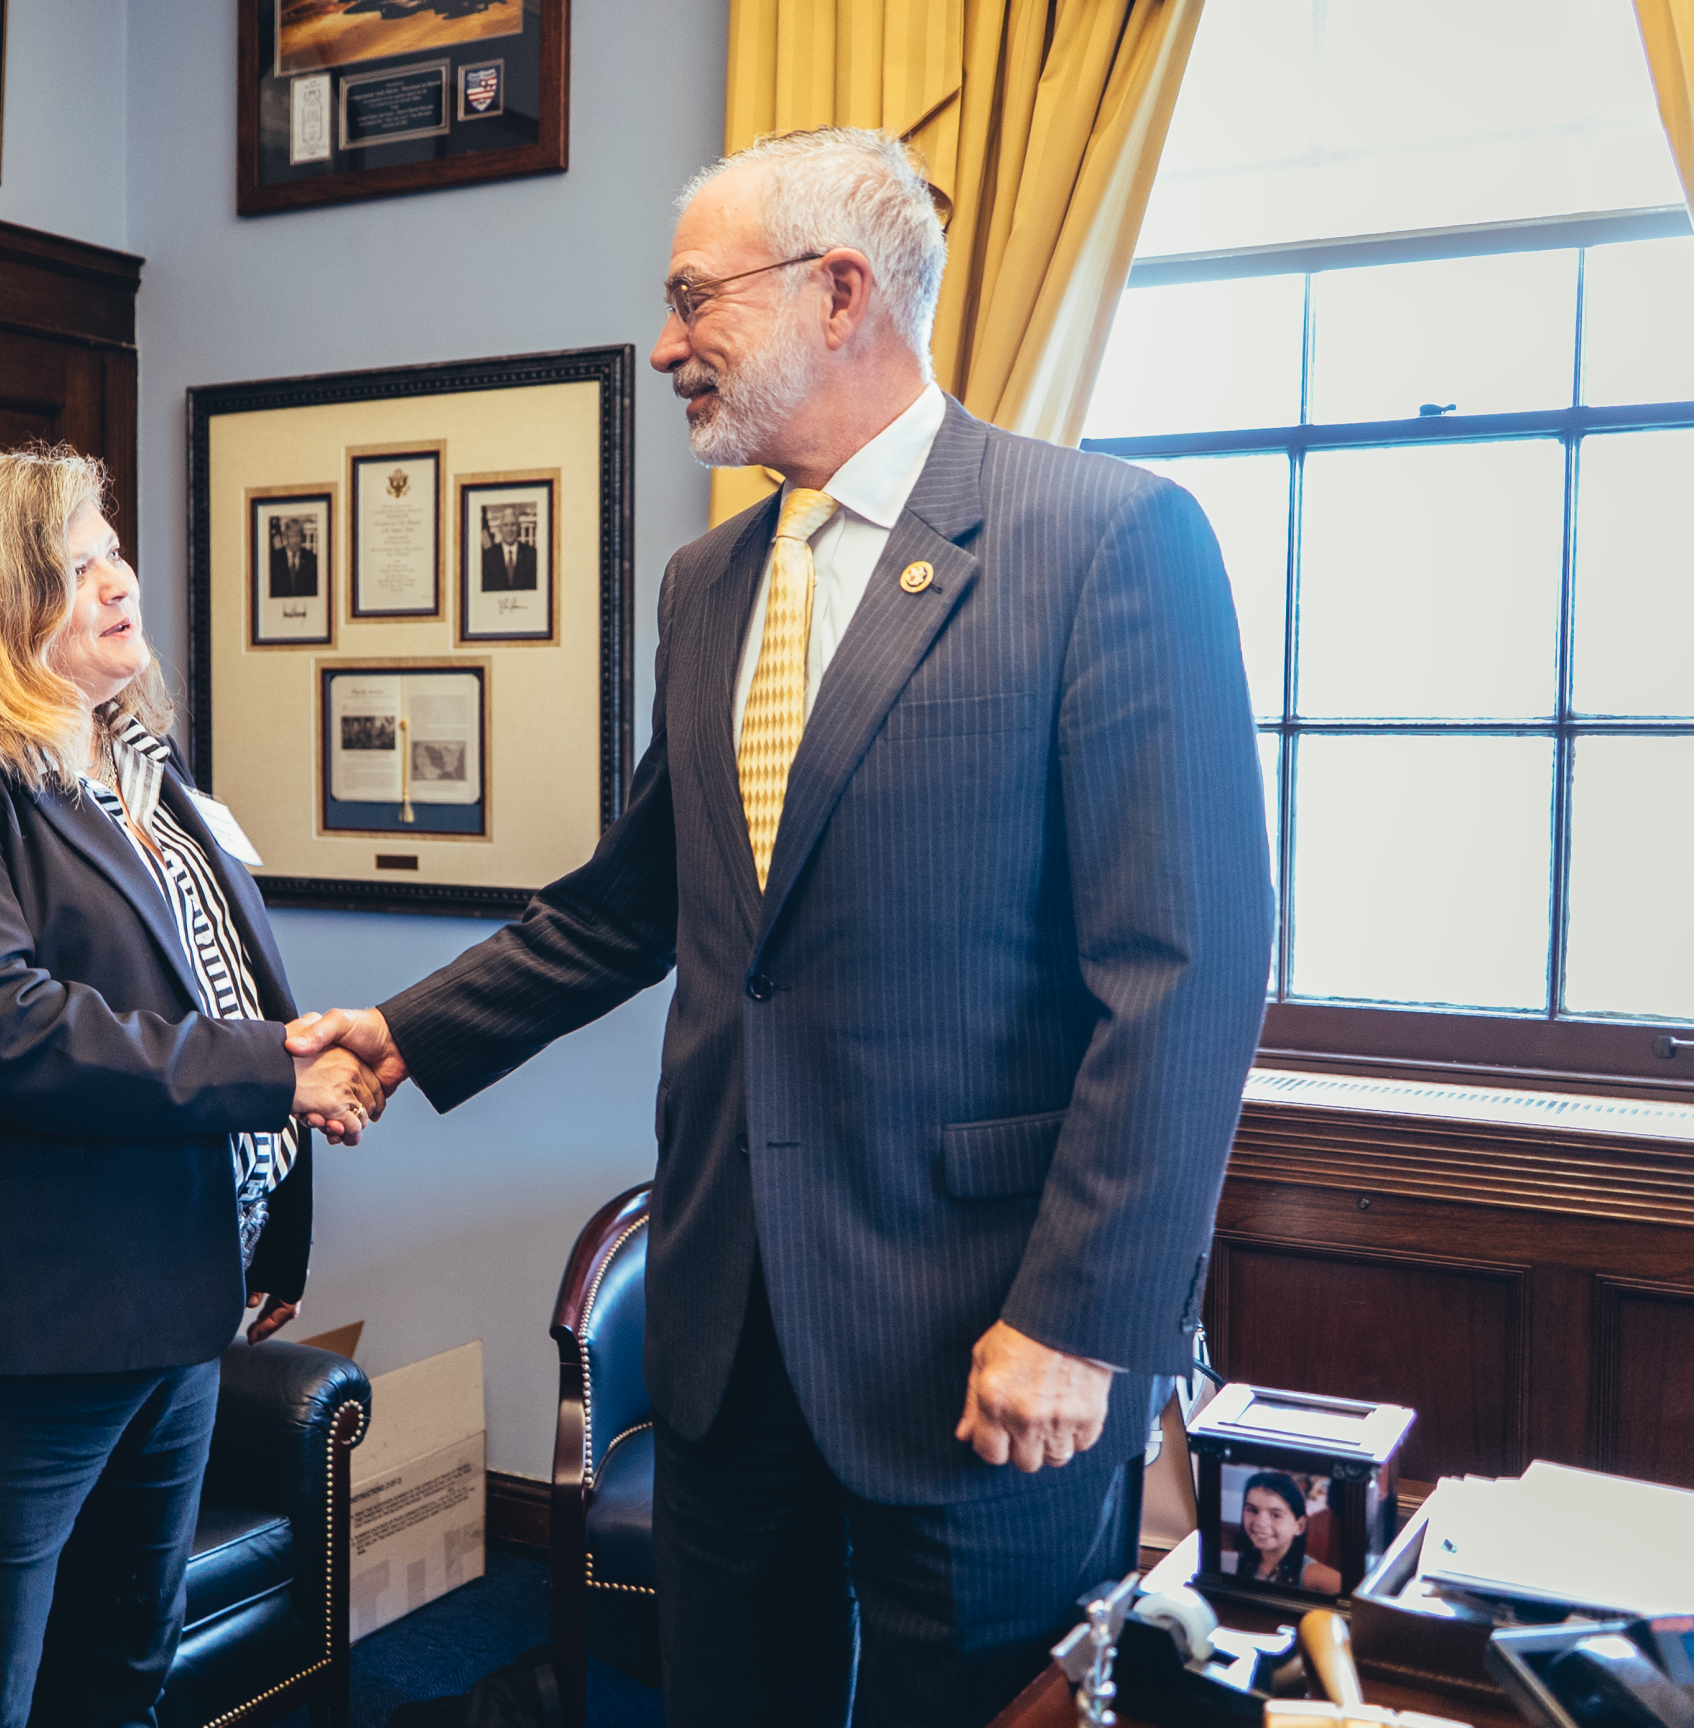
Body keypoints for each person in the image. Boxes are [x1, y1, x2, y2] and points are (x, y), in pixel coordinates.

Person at [288, 127, 1271, 1727]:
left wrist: (1080, 1320)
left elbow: (1188, 967)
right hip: (731, 1324)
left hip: (983, 1333)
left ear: (838, 293)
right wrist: (402, 1033)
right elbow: (634, 904)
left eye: (693, 301)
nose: (666, 345)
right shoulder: (705, 583)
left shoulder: (1102, 542)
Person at [0, 444, 383, 1728]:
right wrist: (279, 1077)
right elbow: (1, 1026)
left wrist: (266, 1228)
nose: (118, 584)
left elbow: (223, 986)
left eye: (110, 551)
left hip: (172, 1309)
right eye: (73, 569)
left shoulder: (141, 772)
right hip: (2, 1341)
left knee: (120, 1678)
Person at [1233, 1471, 1342, 1592]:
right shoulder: (1247, 1562)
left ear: (1299, 1526)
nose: (1260, 1522)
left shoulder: (1311, 1574)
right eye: (1252, 1510)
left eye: (1275, 1515)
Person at [480, 512, 536, 591]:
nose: (509, 529)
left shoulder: (532, 554)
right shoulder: (488, 556)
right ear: (500, 529)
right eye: (505, 525)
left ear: (519, 527)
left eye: (513, 524)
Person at [267, 514, 318, 597]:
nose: (294, 540)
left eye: (297, 536)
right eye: (291, 536)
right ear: (285, 538)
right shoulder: (275, 559)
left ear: (302, 537)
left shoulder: (311, 558)